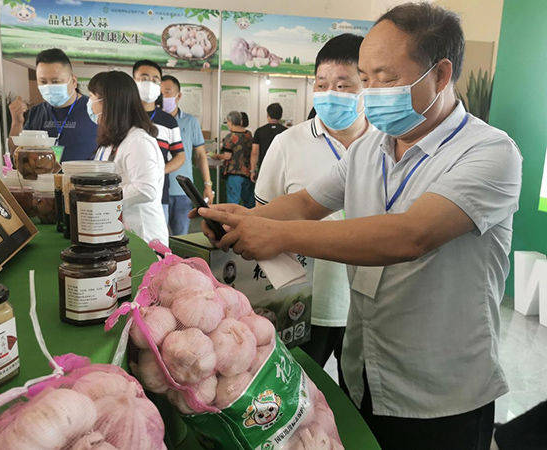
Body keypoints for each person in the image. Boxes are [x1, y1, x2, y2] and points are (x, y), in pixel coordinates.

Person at [195, 3, 522, 449]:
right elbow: (309, 203)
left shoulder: (489, 153)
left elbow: (410, 235)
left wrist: (276, 236)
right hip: (364, 368)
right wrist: (242, 218)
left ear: (441, 75)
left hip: (441, 391)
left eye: (386, 79)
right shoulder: (370, 150)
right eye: (366, 80)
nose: (371, 93)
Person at [254, 34, 367, 381]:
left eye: (344, 85)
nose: (330, 94)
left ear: (370, 86)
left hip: (366, 308)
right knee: (297, 391)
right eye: (322, 84)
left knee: (360, 401)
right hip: (303, 303)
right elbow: (264, 215)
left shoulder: (387, 144)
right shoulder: (288, 143)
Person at [88, 70, 167, 246]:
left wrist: (100, 197)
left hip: (143, 236)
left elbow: (145, 189)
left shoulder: (138, 141)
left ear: (109, 103)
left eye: (92, 98)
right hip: (120, 231)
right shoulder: (113, 140)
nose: (90, 105)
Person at [8, 48, 97, 161]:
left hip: (82, 177)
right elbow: (15, 153)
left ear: (73, 81)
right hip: (42, 178)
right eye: (43, 82)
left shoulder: (93, 109)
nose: (49, 87)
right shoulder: (36, 113)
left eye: (55, 81)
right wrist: (16, 123)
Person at [160, 74, 214, 236]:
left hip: (181, 191)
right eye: (160, 93)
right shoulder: (151, 122)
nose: (163, 97)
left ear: (179, 96)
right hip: (157, 189)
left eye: (167, 92)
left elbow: (201, 155)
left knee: (181, 237)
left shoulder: (190, 122)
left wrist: (208, 185)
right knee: (158, 239)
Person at [132, 60, 185, 220]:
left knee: (157, 242)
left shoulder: (168, 121)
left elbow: (180, 156)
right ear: (133, 81)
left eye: (155, 80)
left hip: (158, 195)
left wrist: (158, 171)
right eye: (144, 78)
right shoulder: (123, 116)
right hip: (126, 195)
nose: (150, 83)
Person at [212, 111, 254, 207]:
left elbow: (227, 156)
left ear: (230, 121)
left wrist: (216, 156)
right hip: (247, 172)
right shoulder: (249, 134)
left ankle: (232, 222)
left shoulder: (230, 137)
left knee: (233, 203)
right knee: (248, 202)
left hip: (234, 173)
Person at [250, 103, 287, 182]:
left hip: (264, 168)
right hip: (281, 170)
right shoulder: (286, 131)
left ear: (268, 115)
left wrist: (252, 171)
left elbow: (254, 152)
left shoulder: (259, 131)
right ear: (281, 115)